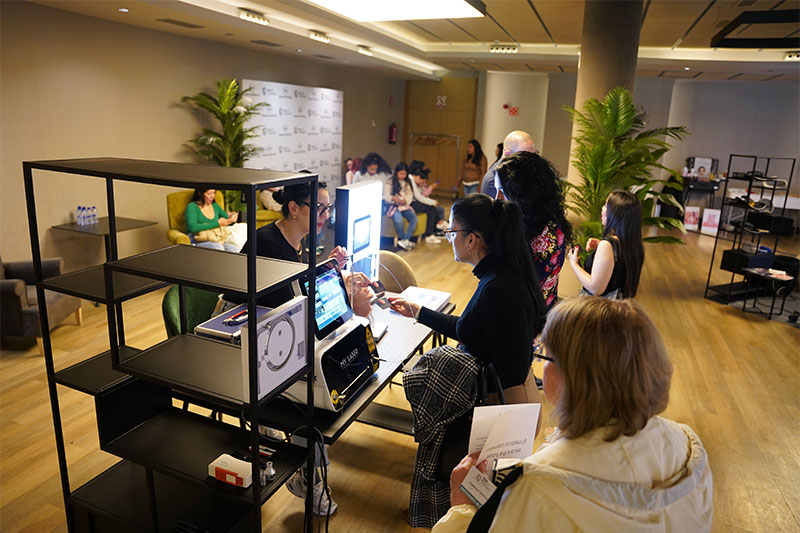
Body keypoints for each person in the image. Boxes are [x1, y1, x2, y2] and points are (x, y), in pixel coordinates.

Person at [433, 297, 713, 532]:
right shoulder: (688, 446)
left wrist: (462, 509)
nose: (540, 365)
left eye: (546, 355)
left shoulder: (538, 488)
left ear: (576, 378)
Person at [391, 194, 546, 402]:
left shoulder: (497, 288)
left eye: (451, 232)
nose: (449, 239)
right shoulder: (502, 273)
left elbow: (509, 369)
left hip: (506, 404)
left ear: (471, 240)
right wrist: (418, 312)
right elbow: (471, 328)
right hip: (511, 397)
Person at [495, 152, 572, 311]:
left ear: (522, 193)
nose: (497, 198)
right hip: (540, 312)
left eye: (502, 191)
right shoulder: (548, 222)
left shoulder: (539, 240)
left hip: (527, 318)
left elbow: (509, 290)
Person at [568, 190, 644, 299]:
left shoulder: (608, 245)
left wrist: (574, 263)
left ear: (616, 214)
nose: (602, 209)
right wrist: (600, 246)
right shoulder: (633, 245)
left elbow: (596, 289)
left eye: (606, 205)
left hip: (598, 308)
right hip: (618, 307)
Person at [184, 188, 239, 252]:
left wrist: (232, 217)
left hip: (215, 238)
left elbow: (226, 219)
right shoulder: (192, 206)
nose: (212, 196)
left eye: (214, 193)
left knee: (235, 249)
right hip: (198, 239)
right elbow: (192, 227)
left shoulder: (215, 206)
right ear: (200, 194)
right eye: (209, 193)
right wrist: (217, 224)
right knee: (218, 248)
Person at [408, 159, 447, 244]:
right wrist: (432, 202)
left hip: (414, 201)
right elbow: (418, 196)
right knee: (431, 208)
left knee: (433, 209)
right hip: (411, 203)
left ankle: (433, 231)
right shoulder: (410, 180)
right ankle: (434, 229)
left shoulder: (413, 180)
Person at [384, 162, 418, 251]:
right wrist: (394, 198)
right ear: (396, 173)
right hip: (393, 206)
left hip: (404, 206)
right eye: (400, 173)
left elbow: (410, 194)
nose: (402, 176)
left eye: (404, 174)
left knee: (414, 218)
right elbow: (386, 195)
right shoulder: (389, 181)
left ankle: (405, 239)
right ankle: (403, 239)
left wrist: (405, 200)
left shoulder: (407, 182)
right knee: (398, 220)